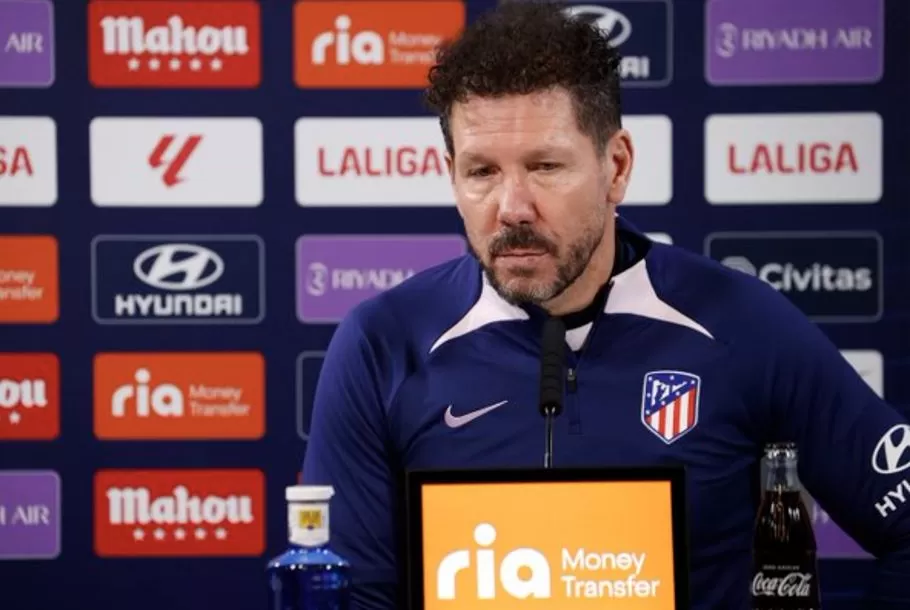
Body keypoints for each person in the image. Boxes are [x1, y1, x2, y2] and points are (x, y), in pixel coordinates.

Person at [301, 2, 910, 608]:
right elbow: (352, 597)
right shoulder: (383, 344)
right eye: (481, 171)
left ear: (616, 167)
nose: (512, 207)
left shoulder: (741, 322)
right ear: (451, 175)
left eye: (545, 166)